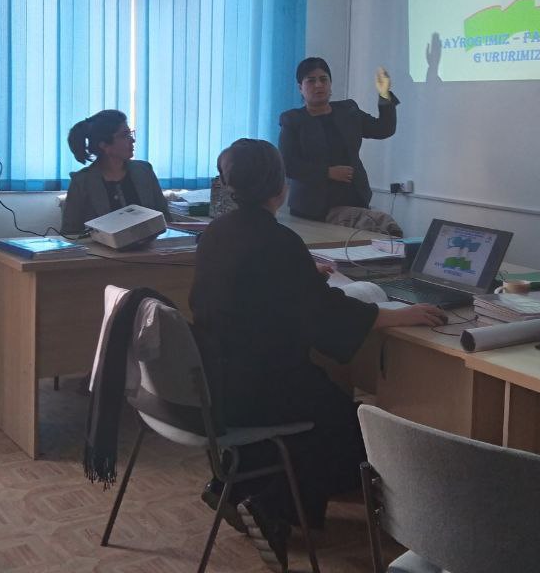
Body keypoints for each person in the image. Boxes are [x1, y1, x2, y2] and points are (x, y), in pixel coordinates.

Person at [190, 138, 444, 571]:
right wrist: (398, 316)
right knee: (353, 428)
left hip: (218, 376)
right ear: (280, 186)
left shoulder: (218, 231)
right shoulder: (278, 241)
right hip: (260, 385)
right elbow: (324, 316)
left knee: (328, 405)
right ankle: (269, 506)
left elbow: (262, 288)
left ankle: (233, 486)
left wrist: (302, 273)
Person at [278, 57, 402, 234]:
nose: (318, 85)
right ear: (300, 87)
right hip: (312, 210)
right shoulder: (293, 119)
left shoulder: (348, 111)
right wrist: (327, 172)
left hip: (354, 200)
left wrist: (384, 94)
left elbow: (384, 129)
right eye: (311, 81)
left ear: (330, 84)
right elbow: (287, 164)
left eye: (323, 79)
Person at [61, 109, 169, 234]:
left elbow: (165, 219)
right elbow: (70, 233)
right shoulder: (82, 182)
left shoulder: (144, 171)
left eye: (130, 134)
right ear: (104, 145)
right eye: (124, 135)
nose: (132, 140)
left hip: (149, 245)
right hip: (99, 247)